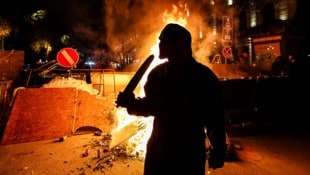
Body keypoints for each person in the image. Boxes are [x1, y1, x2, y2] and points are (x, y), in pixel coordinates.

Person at [116, 23, 226, 175]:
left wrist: (218, 148)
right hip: (159, 150)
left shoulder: (203, 77)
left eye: (164, 42)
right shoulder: (158, 74)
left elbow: (215, 118)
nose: (160, 45)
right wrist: (131, 103)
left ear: (177, 45)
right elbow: (151, 106)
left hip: (188, 153)